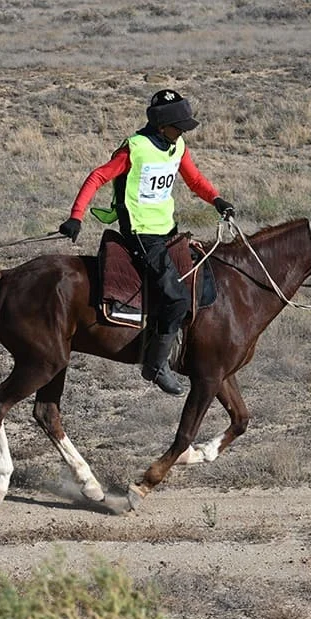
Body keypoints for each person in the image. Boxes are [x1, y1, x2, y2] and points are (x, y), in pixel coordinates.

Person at [58, 90, 235, 395]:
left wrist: (216, 199)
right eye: (178, 125)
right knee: (177, 298)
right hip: (140, 233)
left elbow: (194, 180)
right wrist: (76, 216)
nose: (182, 131)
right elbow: (96, 177)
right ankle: (155, 365)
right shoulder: (135, 149)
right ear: (161, 125)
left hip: (167, 229)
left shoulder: (177, 145)